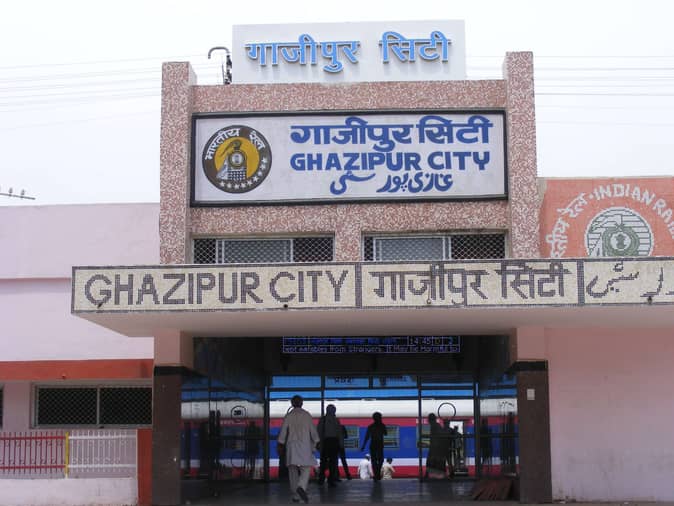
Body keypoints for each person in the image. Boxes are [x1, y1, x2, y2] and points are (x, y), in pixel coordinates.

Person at [277, 395, 320, 504]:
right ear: (302, 403)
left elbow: (283, 431)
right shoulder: (307, 415)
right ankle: (301, 487)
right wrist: (317, 441)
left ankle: (296, 494)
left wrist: (281, 443)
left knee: (292, 470)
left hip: (292, 446)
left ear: (292, 404)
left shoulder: (289, 416)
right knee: (306, 468)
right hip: (305, 446)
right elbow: (313, 430)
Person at [316, 404, 341, 487]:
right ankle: (330, 480)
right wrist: (340, 444)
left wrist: (318, 443)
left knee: (323, 461)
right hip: (333, 442)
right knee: (332, 462)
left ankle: (321, 479)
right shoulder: (336, 420)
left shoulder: (323, 420)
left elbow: (319, 431)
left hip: (326, 442)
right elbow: (339, 433)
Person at [361, 411, 387, 480]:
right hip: (379, 445)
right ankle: (377, 474)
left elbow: (367, 437)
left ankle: (376, 474)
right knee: (380, 460)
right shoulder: (382, 426)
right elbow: (385, 433)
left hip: (373, 445)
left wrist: (363, 445)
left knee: (374, 461)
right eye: (380, 418)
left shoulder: (371, 426)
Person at [425, 413, 446, 479]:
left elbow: (436, 437)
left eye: (429, 419)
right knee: (433, 461)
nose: (428, 421)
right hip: (436, 447)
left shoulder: (434, 426)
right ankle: (428, 474)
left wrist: (433, 446)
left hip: (435, 447)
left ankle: (428, 475)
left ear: (430, 420)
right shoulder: (436, 425)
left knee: (430, 461)